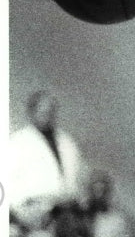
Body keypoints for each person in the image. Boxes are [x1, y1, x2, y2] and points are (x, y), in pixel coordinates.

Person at [9, 91, 85, 228]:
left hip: (64, 211)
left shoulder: (67, 142)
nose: (47, 117)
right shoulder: (18, 142)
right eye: (43, 112)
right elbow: (8, 180)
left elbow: (74, 178)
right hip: (33, 211)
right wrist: (21, 210)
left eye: (51, 112)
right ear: (31, 113)